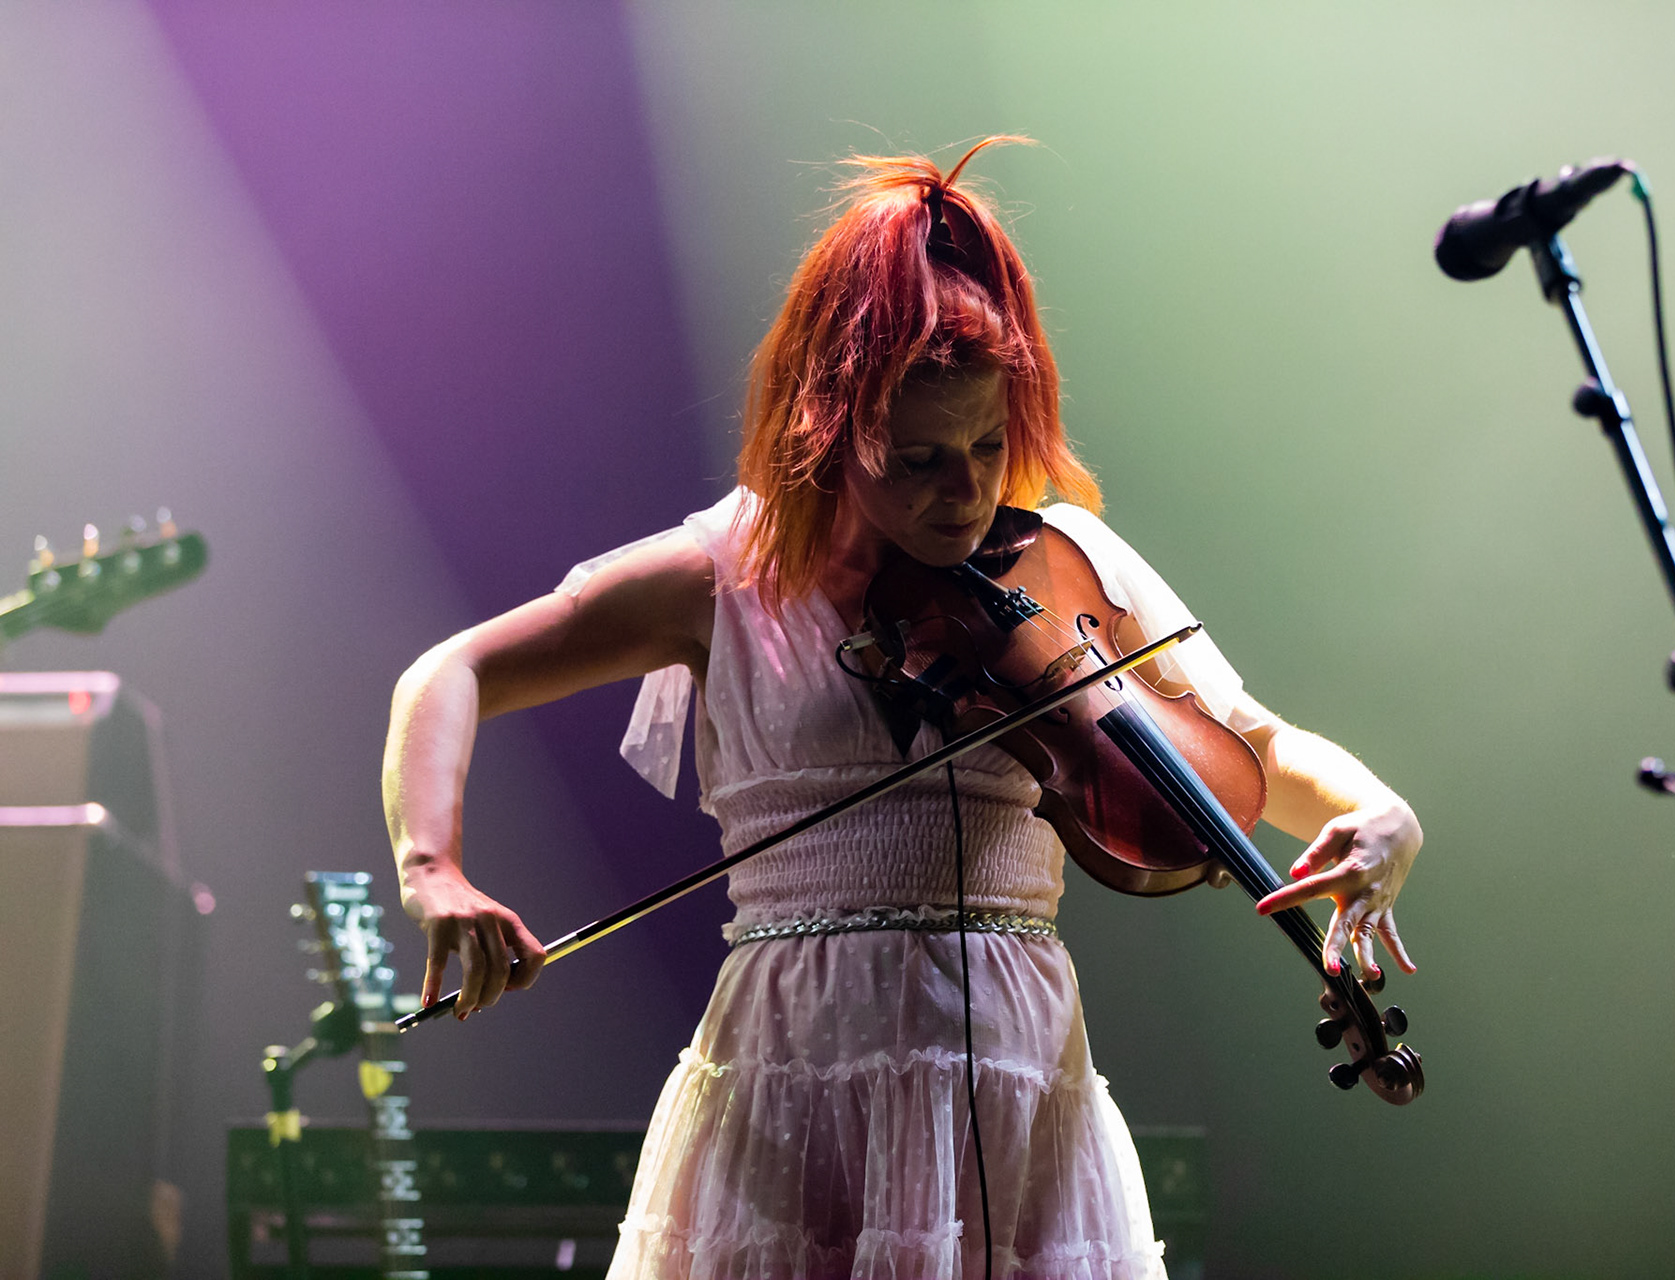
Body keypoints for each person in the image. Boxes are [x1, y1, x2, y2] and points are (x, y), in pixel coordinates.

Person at [384, 137, 1422, 1280]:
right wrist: (434, 865)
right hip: (794, 1087)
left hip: (1016, 1087)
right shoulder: (722, 572)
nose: (968, 492)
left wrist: (1379, 811)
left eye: (988, 445)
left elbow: (1253, 747)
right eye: (918, 457)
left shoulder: (1062, 563)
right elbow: (451, 669)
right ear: (830, 427)